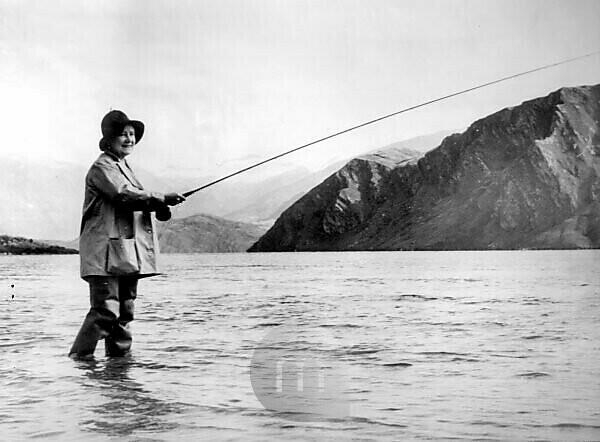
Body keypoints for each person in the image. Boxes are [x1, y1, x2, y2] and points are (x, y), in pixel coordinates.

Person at [69, 110, 186, 359]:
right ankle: (79, 363)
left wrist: (161, 207)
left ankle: (119, 372)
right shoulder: (102, 167)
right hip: (103, 255)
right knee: (105, 312)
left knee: (125, 311)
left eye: (132, 134)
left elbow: (134, 200)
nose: (129, 139)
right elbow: (123, 195)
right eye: (123, 134)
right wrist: (162, 198)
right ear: (109, 139)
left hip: (123, 253)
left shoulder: (123, 167)